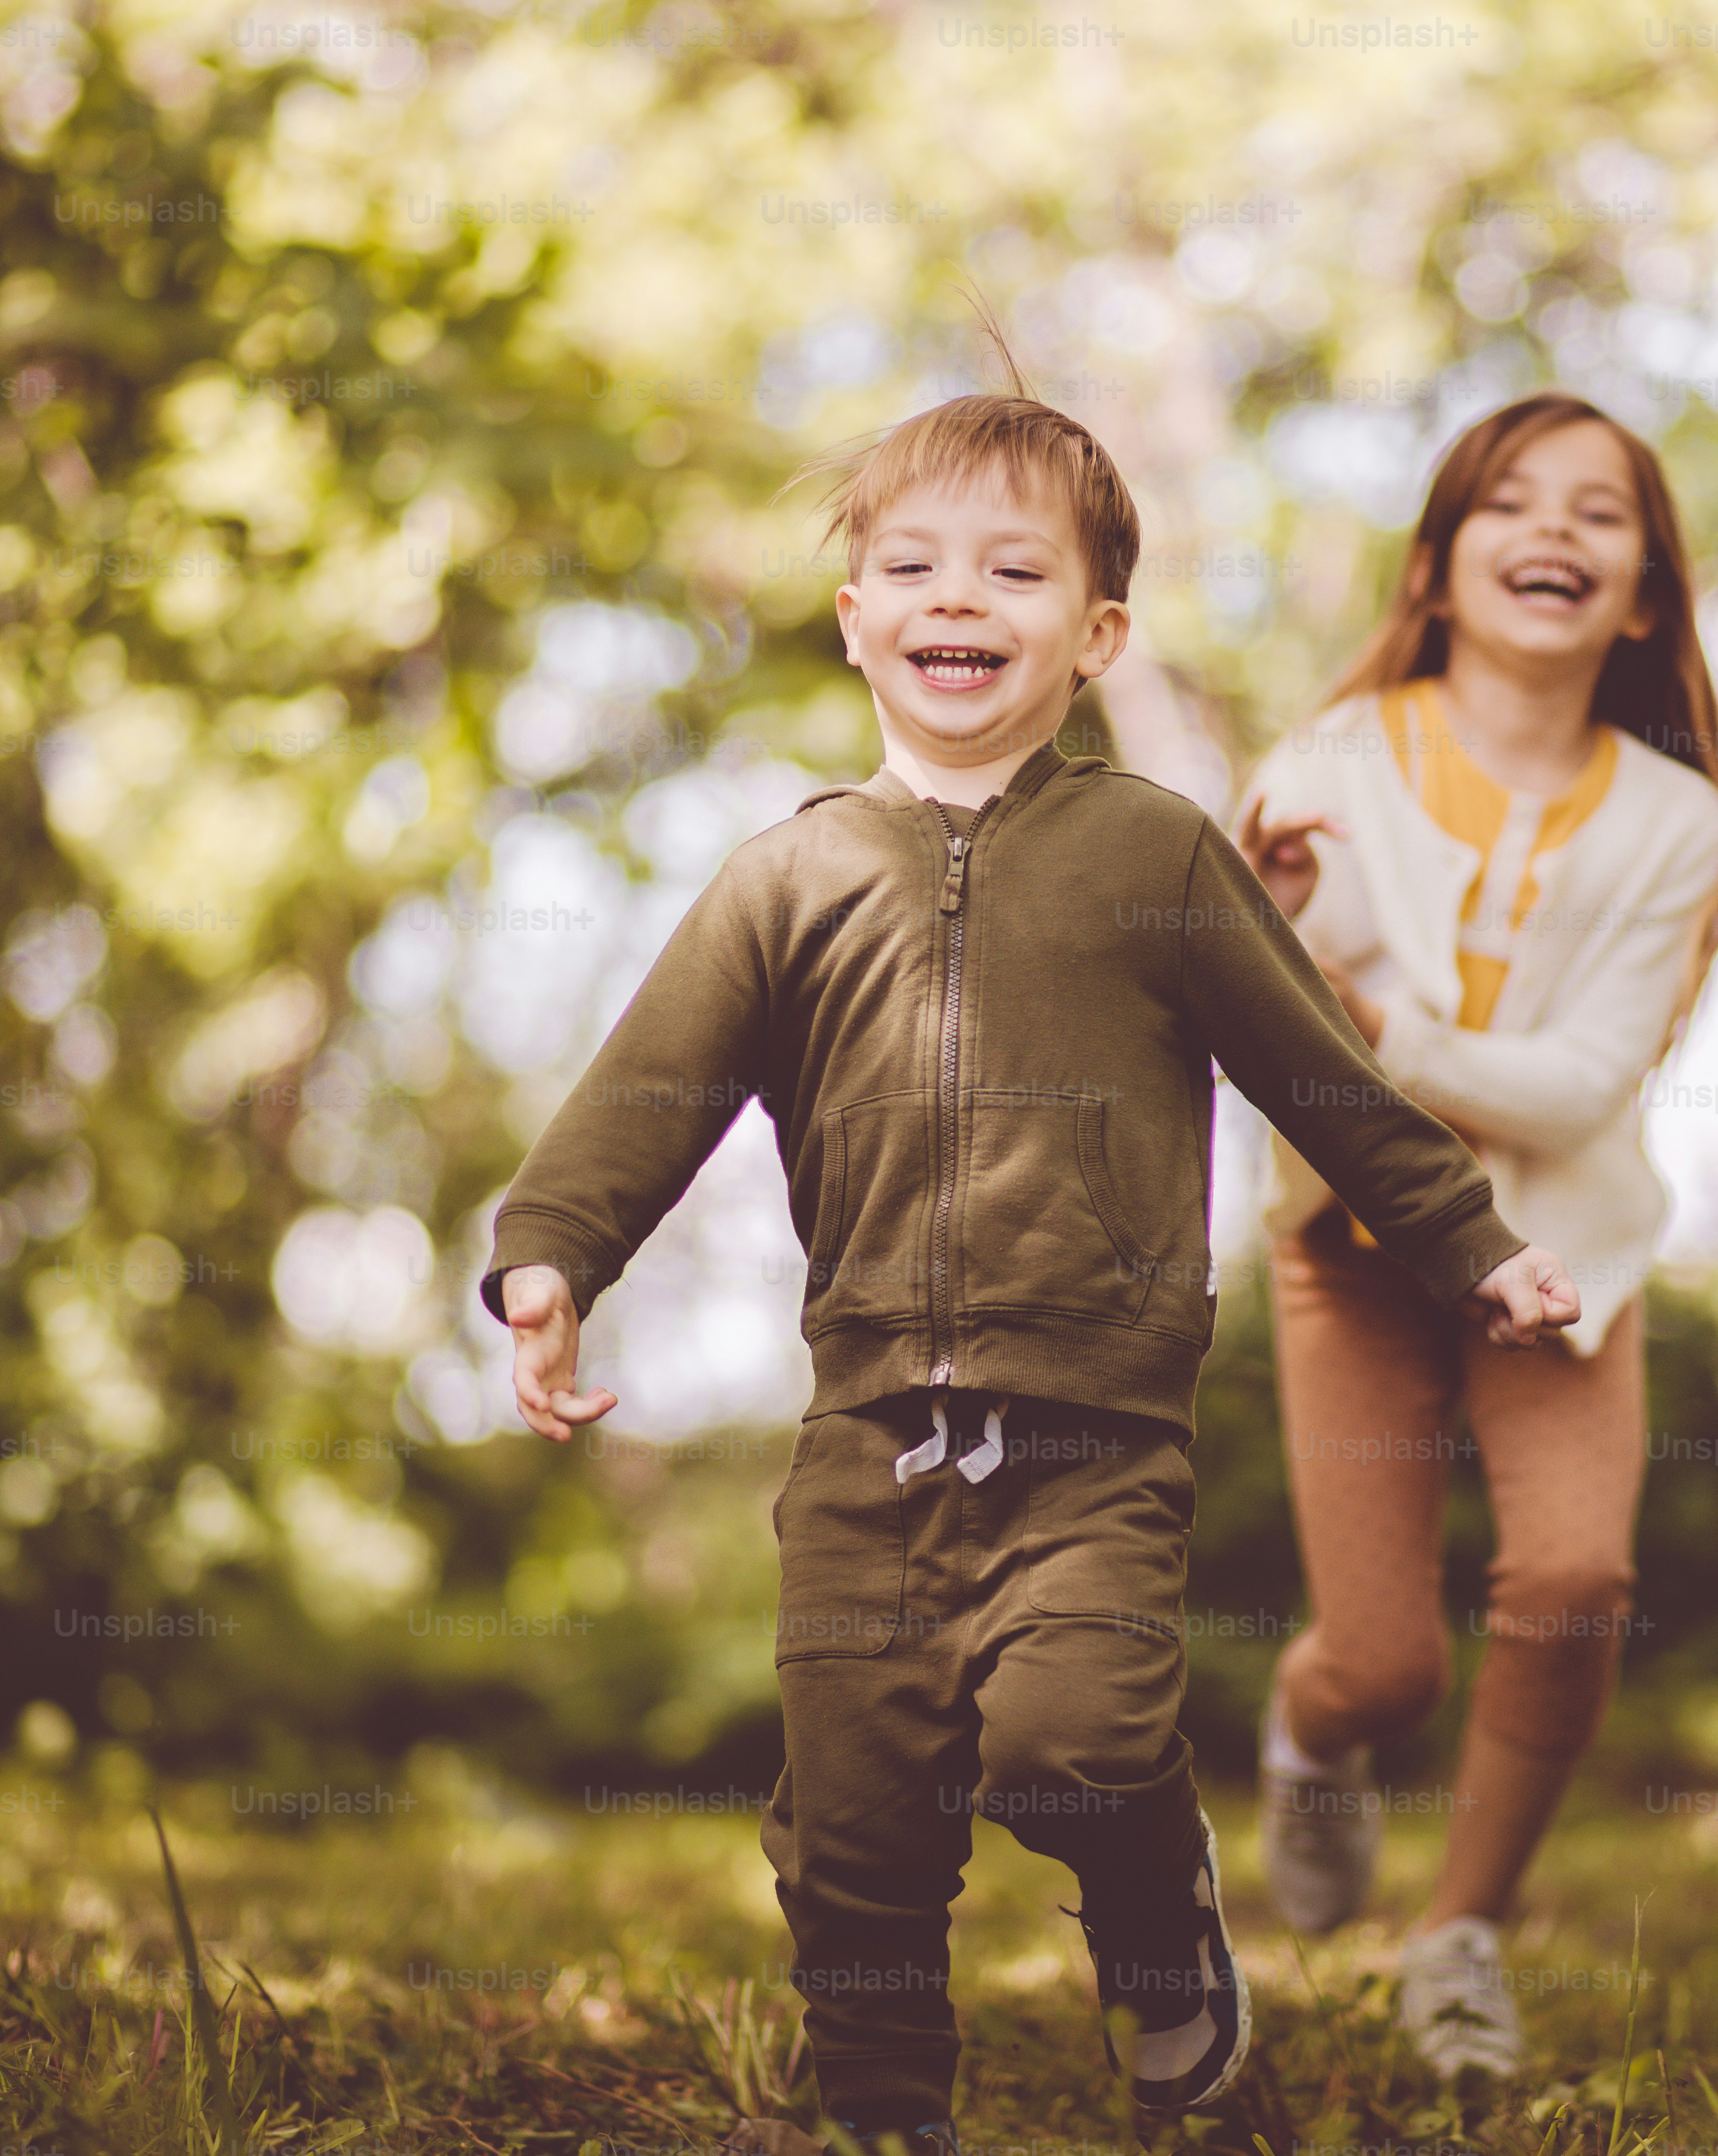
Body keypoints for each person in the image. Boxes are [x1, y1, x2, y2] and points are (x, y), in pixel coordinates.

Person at [478, 383, 1581, 2156]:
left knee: (1072, 1744)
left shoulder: (1153, 857)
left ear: (1097, 632)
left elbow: (1322, 1073)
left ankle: (1171, 1968)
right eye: (911, 565)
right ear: (854, 619)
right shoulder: (790, 879)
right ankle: (891, 2124)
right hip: (864, 1460)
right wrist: (550, 1257)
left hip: (1094, 1444)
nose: (957, 602)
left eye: (1012, 570)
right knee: (854, 1842)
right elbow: (652, 1085)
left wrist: (1469, 1246)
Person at [1231, 390, 1718, 2091]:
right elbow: (1275, 1011)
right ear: (1440, 568)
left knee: (1579, 1577)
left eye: (1602, 517)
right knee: (1385, 1664)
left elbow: (1586, 1092)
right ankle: (1312, 1735)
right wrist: (1277, 935)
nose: (1556, 533)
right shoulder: (1325, 766)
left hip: (1566, 1256)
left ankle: (1459, 1934)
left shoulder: (1677, 825)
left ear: (1645, 598)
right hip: (1360, 1250)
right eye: (1513, 504)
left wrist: (1387, 1034)